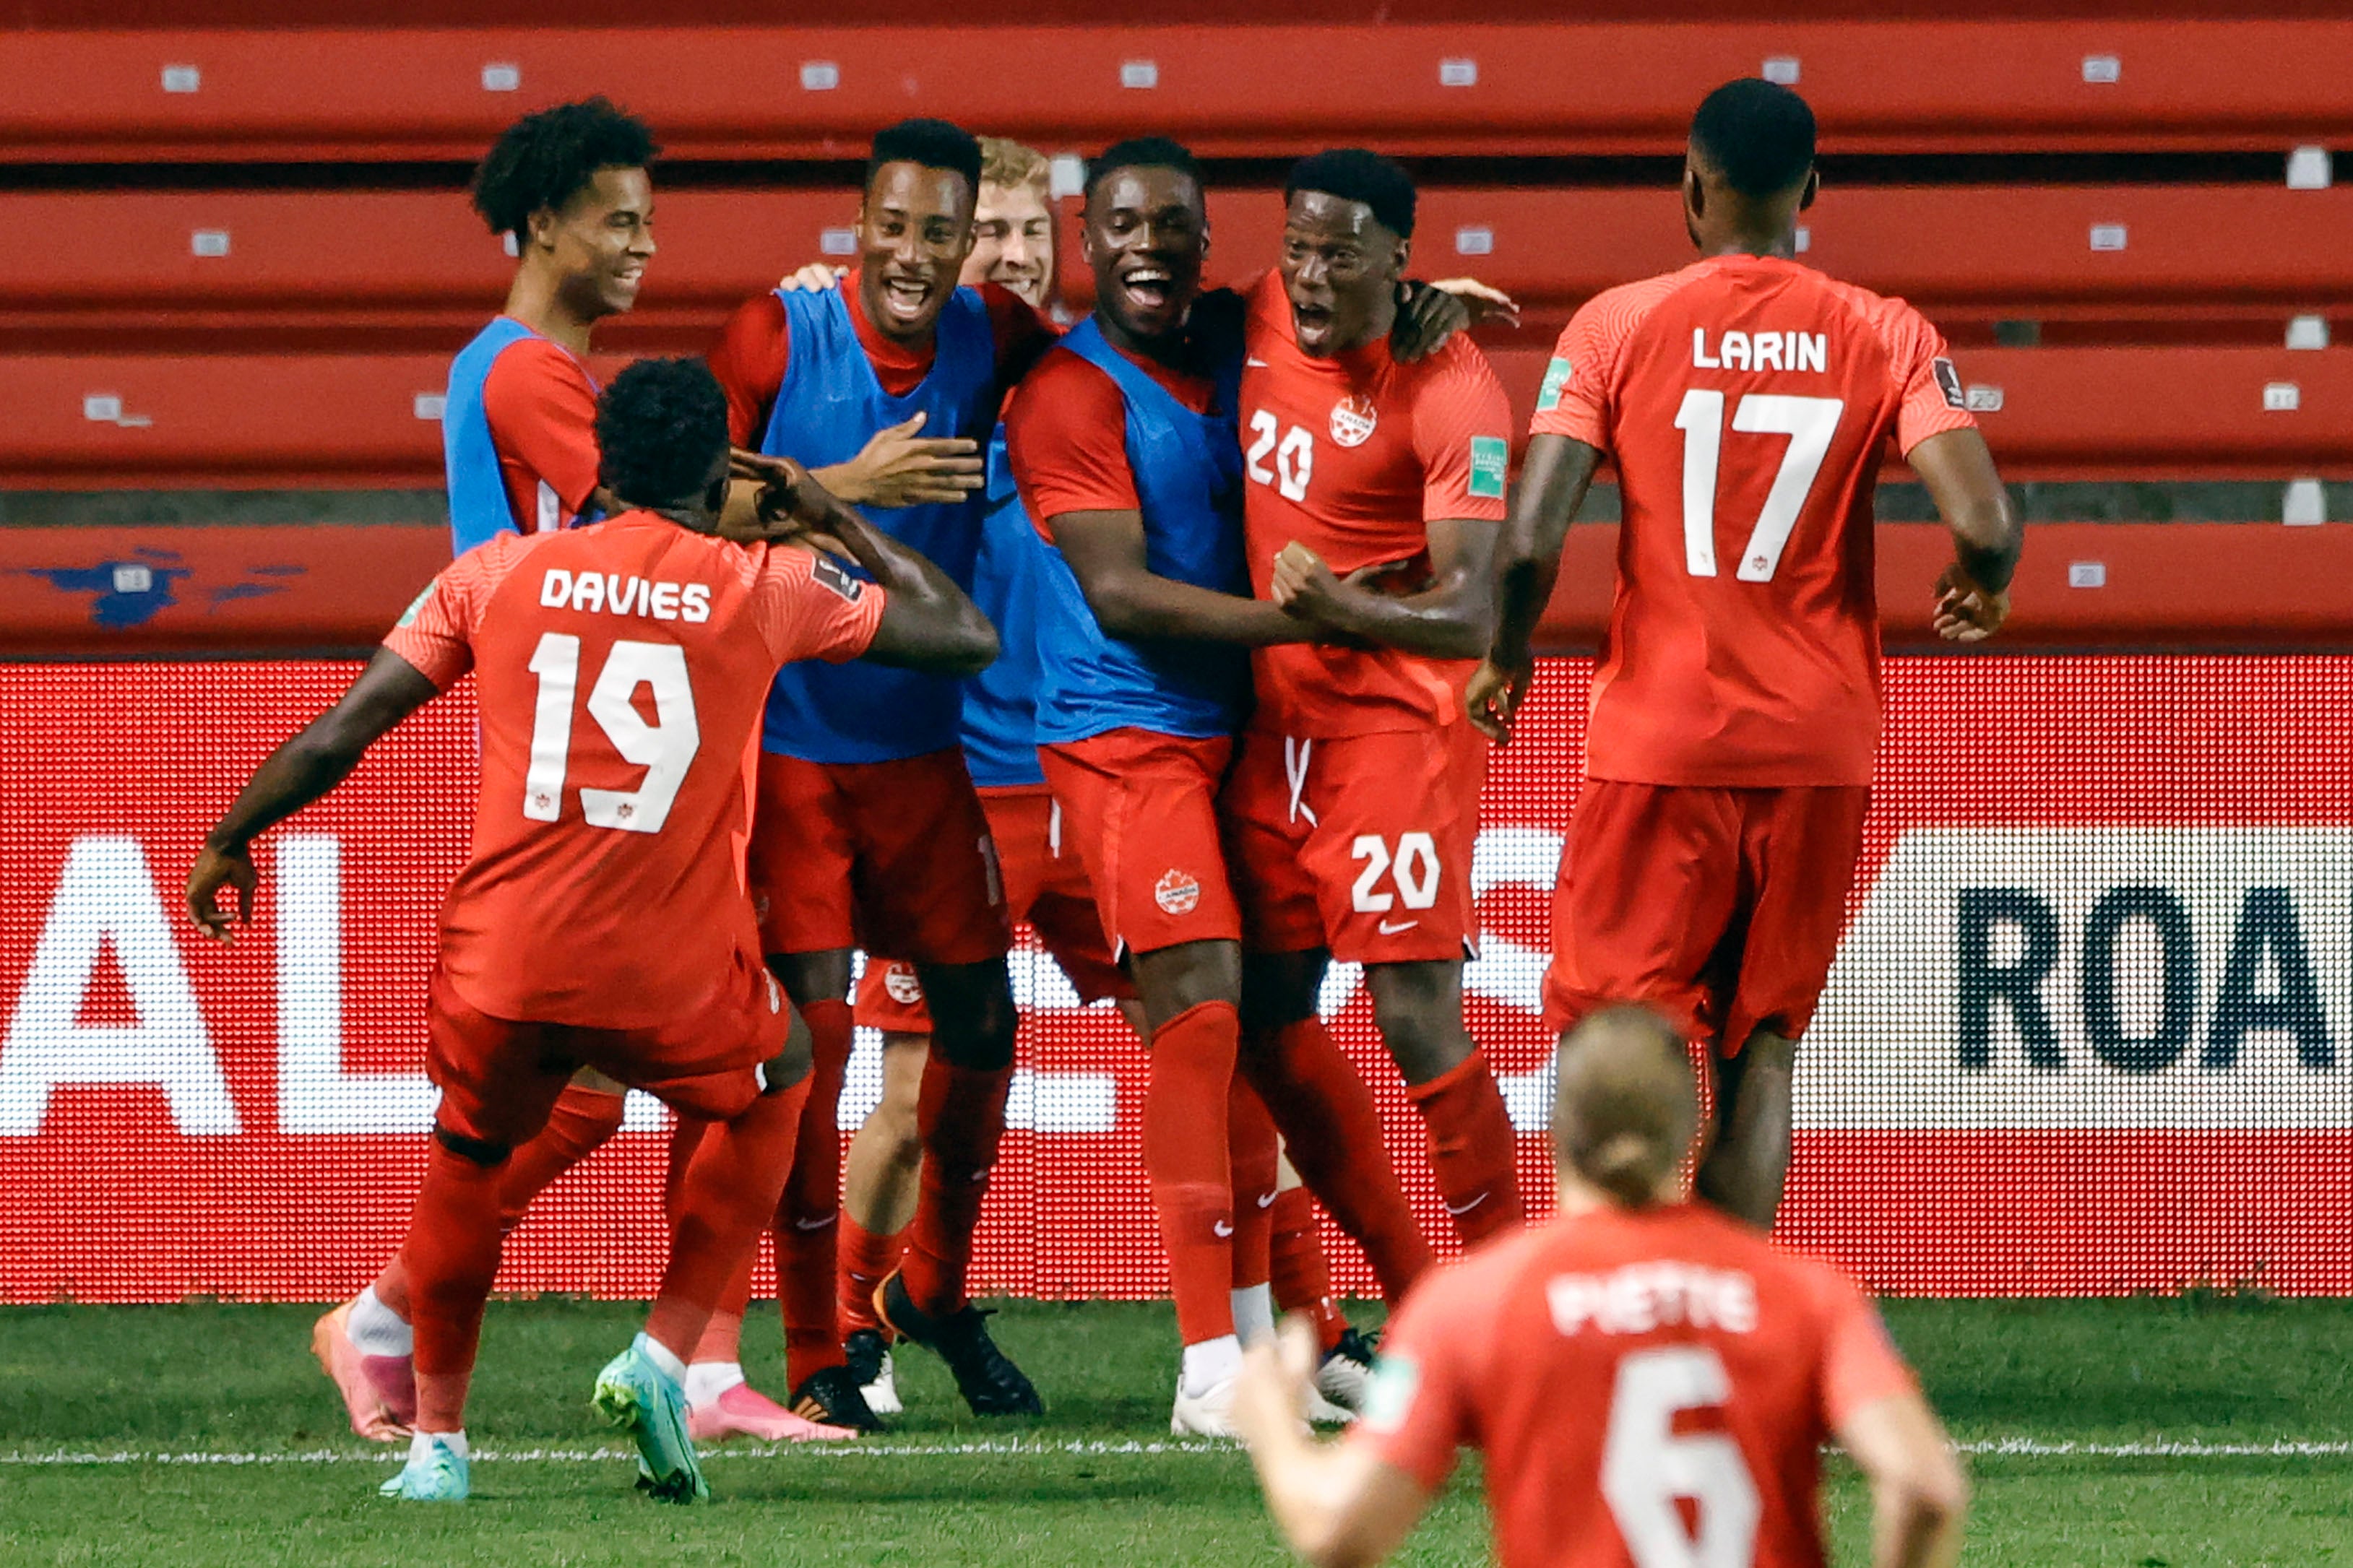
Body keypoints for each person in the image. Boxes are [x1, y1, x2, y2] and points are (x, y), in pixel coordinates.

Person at [184, 358, 998, 1503]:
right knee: (783, 1074)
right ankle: (667, 1353)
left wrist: (231, 836)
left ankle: (440, 1450)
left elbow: (345, 729)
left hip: (506, 959)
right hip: (670, 976)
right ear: (720, 469)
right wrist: (831, 514)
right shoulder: (761, 583)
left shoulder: (497, 573)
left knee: (468, 1160)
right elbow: (964, 636)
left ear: (601, 467)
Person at [1469, 78, 2024, 1229]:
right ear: (1811, 191)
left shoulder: (1615, 324)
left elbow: (1527, 540)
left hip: (1661, 737)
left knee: (1613, 1034)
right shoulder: (1886, 329)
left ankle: (1599, 1320)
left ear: (1689, 181)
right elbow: (1984, 522)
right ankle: (1729, 1334)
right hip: (1817, 743)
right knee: (1760, 1048)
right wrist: (1982, 585)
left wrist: (1506, 655)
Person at [1007, 137, 1480, 1433]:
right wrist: (1314, 623)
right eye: (1120, 223)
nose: (1146, 243)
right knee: (1202, 1017)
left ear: (1210, 244)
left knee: (1266, 1032)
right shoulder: (1067, 396)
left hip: (1238, 735)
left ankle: (1312, 1338)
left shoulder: (1237, 336)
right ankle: (1208, 1361)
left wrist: (1422, 307)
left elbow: (1353, 303)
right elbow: (1115, 593)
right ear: (1083, 242)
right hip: (1122, 730)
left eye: (1171, 222)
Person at [701, 115, 1058, 1429]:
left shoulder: (991, 336)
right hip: (793, 750)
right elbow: (687, 499)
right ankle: (813, 1354)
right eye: (893, 226)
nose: (914, 254)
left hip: (923, 759)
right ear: (857, 222)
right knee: (811, 1047)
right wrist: (846, 483)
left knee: (982, 1030)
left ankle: (933, 1287)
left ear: (969, 239)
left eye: (940, 231)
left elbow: (1152, 341)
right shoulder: (775, 333)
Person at [1234, 1005, 1970, 1568]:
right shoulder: (1808, 1292)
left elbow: (1334, 1524)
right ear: (1690, 1132)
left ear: (1557, 1129)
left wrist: (1268, 1410)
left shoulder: (1470, 1304)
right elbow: (1924, 1486)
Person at [1224, 150, 1527, 1254]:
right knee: (1259, 1011)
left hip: (1391, 729)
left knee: (1411, 1012)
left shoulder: (1452, 388)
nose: (1307, 277)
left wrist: (1335, 613)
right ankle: (1352, 1289)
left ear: (1395, 258)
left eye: (1338, 255)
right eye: (1297, 247)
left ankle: (1502, 1291)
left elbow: (1469, 616)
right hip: (1268, 731)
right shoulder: (1258, 310)